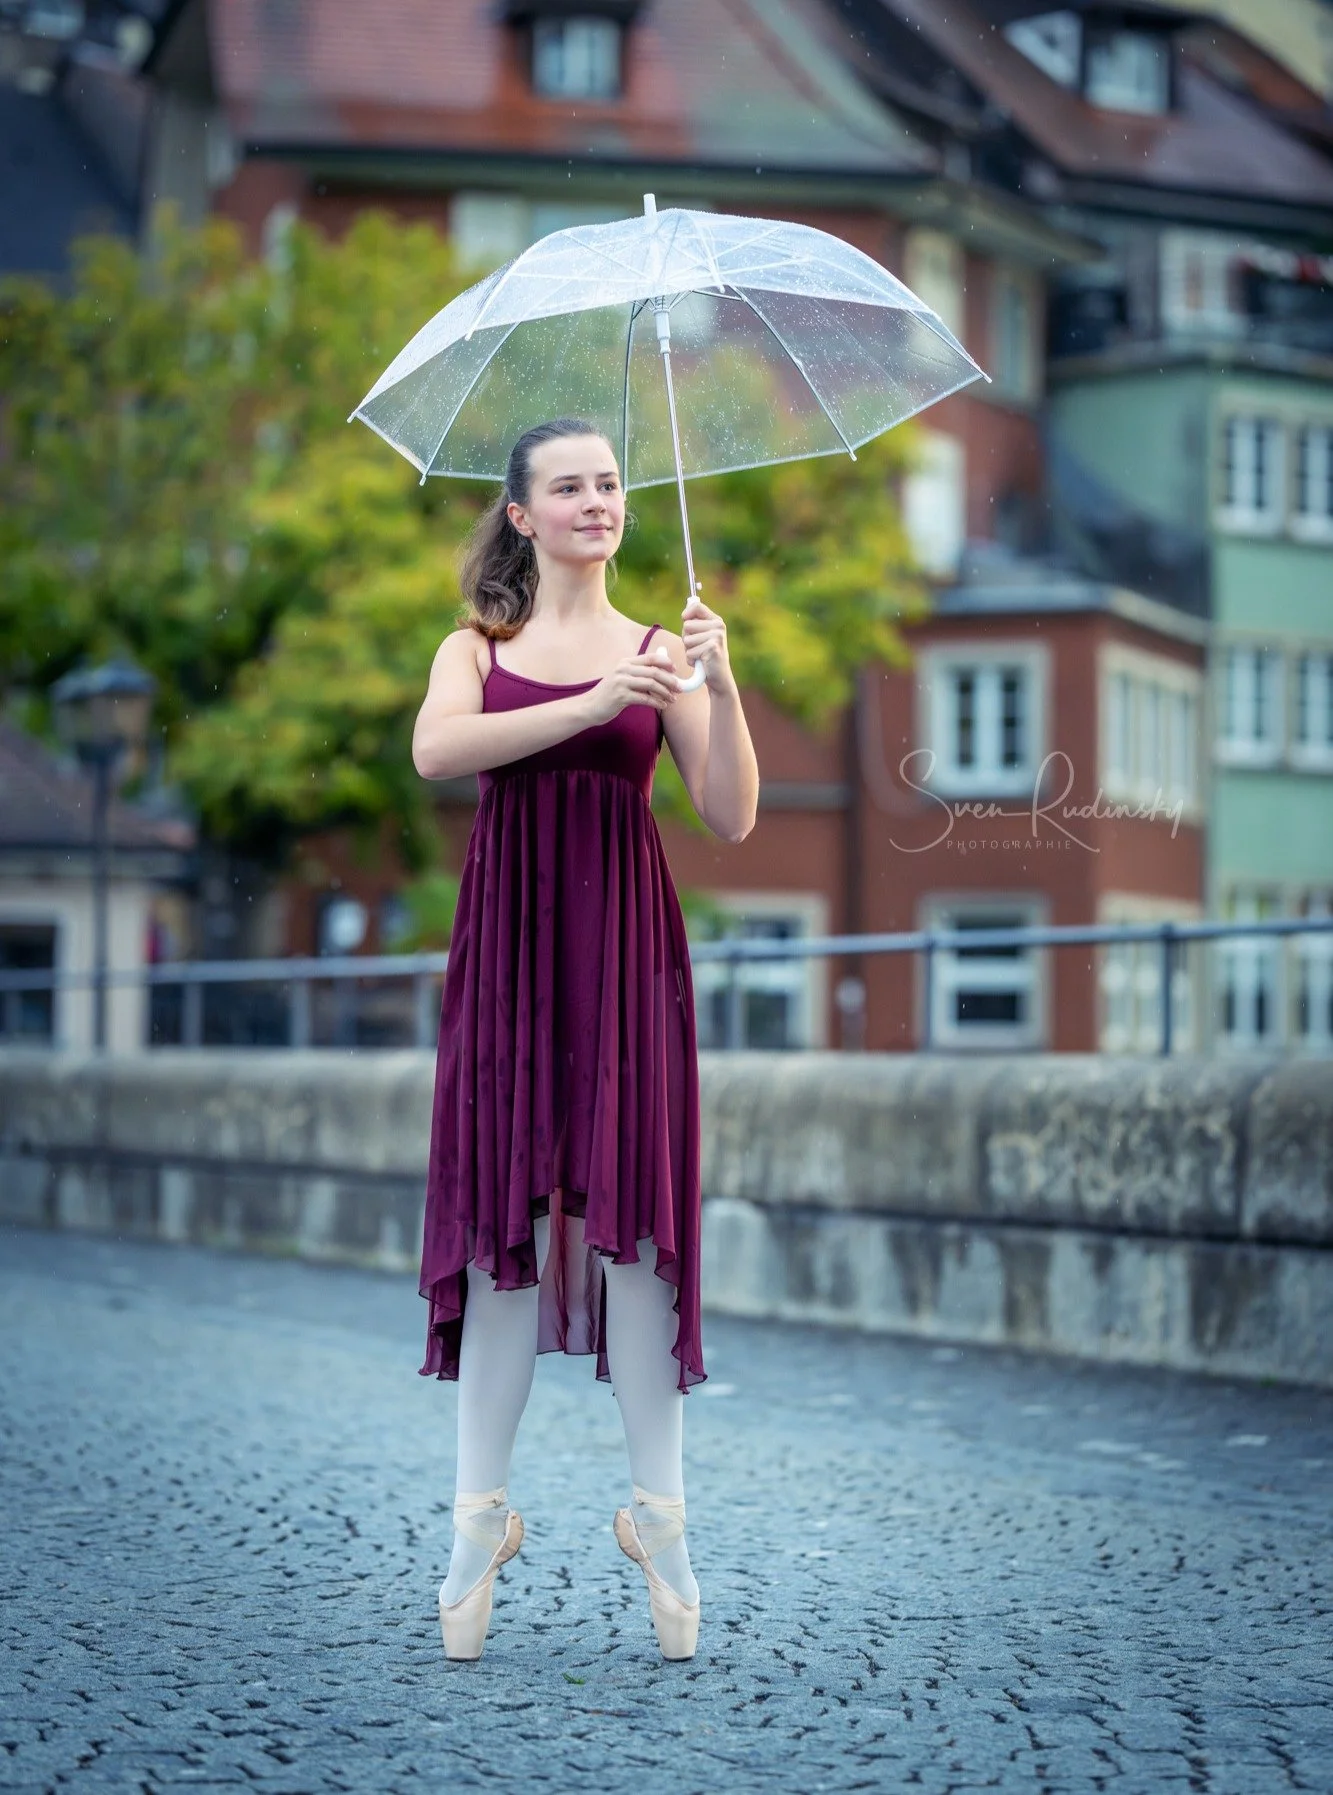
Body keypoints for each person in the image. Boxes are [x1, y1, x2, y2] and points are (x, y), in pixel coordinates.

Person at [411, 417, 759, 1664]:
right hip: (510, 960)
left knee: (640, 1238)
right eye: (569, 487)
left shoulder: (663, 651)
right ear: (521, 514)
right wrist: (593, 701)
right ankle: (476, 1525)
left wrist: (718, 682)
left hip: (625, 961)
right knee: (504, 1234)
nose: (598, 501)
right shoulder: (477, 646)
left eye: (610, 483)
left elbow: (728, 814)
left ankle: (662, 1522)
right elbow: (437, 750)